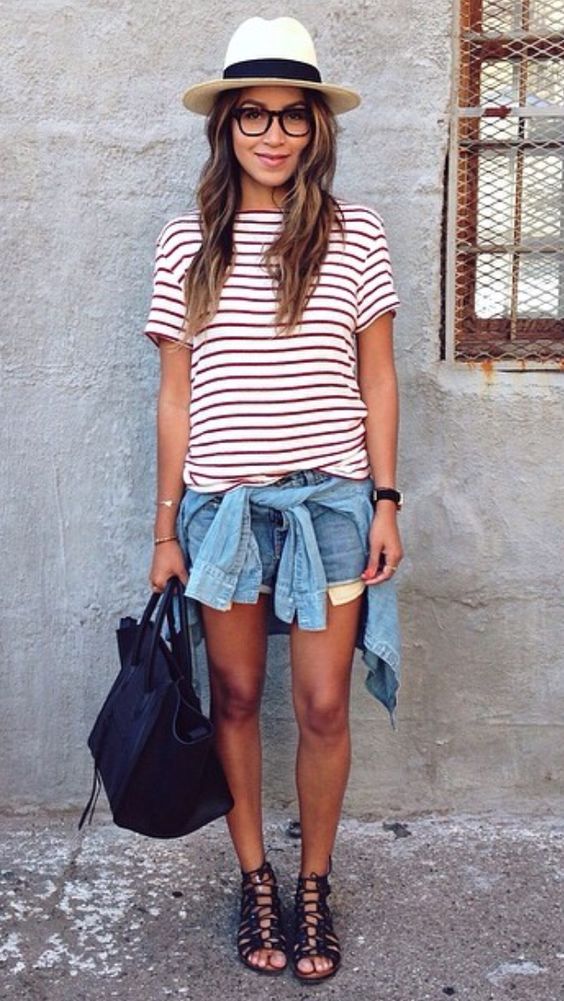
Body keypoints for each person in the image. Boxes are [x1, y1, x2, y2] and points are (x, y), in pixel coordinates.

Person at [142, 15, 403, 983]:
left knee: (324, 704)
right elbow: (176, 396)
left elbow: (378, 378)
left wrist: (386, 499)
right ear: (227, 126)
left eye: (294, 115)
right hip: (224, 515)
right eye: (253, 113)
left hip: (331, 508)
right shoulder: (186, 243)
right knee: (238, 696)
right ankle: (255, 877)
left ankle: (314, 882)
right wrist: (164, 528)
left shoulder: (356, 233)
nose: (274, 133)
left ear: (316, 128)